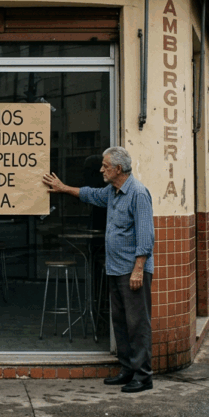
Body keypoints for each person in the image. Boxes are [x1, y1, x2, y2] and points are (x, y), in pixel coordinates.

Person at [43, 146, 155, 394]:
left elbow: (146, 237)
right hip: (115, 269)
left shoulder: (137, 193)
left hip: (132, 271)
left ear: (117, 168)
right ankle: (127, 369)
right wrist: (63, 188)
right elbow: (90, 195)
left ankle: (143, 375)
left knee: (137, 324)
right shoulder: (113, 192)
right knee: (121, 322)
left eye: (105, 166)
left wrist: (138, 270)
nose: (101, 169)